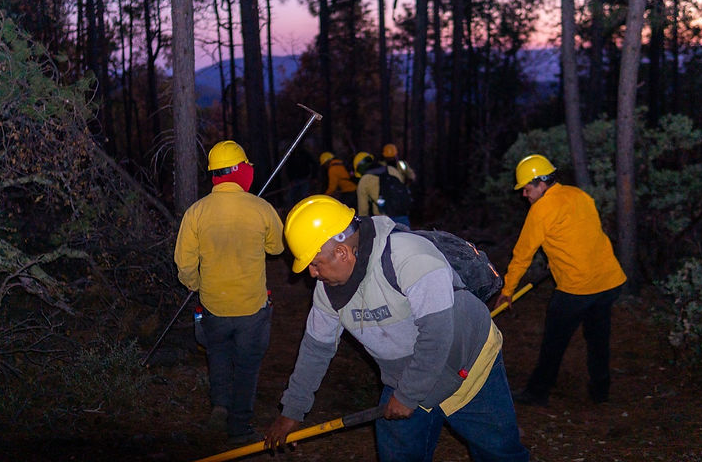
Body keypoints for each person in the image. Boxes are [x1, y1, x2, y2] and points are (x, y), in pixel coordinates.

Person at [265, 195, 529, 462]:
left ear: (342, 252)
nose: (311, 274)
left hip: (469, 367)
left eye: (314, 263)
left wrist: (407, 396)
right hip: (406, 376)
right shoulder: (328, 292)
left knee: (499, 452)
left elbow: (437, 336)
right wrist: (292, 411)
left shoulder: (409, 257)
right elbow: (315, 350)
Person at [174, 140, 284, 444]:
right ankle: (239, 426)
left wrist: (195, 284)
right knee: (247, 367)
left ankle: (219, 407)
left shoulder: (196, 212)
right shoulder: (261, 208)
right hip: (252, 309)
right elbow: (277, 247)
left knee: (218, 357)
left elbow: (184, 263)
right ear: (240, 170)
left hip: (213, 307)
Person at [494, 154, 627, 407]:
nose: (524, 194)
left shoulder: (541, 210)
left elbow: (522, 256)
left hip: (577, 289)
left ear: (542, 183)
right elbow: (586, 234)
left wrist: (508, 290)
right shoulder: (580, 195)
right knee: (598, 338)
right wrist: (556, 258)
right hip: (608, 282)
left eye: (527, 188)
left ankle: (537, 392)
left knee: (554, 341)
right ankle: (601, 391)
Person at [355, 151, 411, 227]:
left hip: (384, 222)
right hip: (403, 216)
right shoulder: (391, 169)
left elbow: (363, 210)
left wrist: (362, 226)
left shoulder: (364, 180)